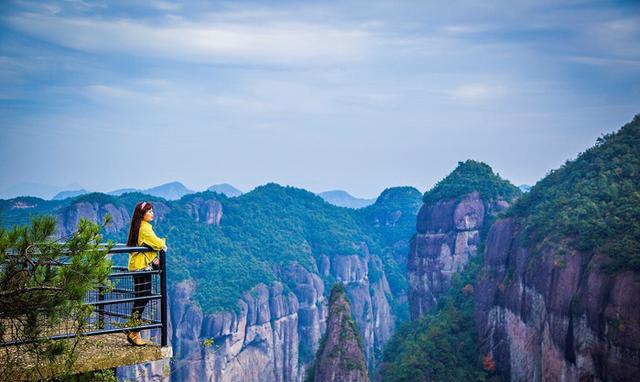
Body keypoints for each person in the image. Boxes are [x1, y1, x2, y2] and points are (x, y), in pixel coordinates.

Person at [125, 201, 167, 346]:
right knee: (142, 298)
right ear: (142, 214)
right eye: (149, 211)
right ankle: (133, 331)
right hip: (141, 268)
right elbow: (158, 244)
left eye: (152, 211)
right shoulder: (145, 229)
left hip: (137, 266)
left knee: (141, 298)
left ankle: (133, 330)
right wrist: (163, 242)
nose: (152, 213)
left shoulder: (139, 227)